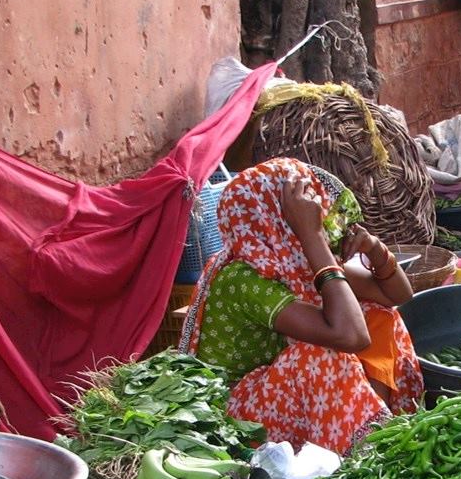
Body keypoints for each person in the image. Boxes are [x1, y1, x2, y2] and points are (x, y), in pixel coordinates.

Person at [179, 157, 422, 452]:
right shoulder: (241, 277)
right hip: (237, 419)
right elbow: (351, 337)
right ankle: (365, 451)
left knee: (381, 317)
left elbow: (397, 296)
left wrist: (373, 248)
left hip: (278, 389)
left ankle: (379, 423)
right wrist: (312, 236)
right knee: (323, 355)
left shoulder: (289, 259)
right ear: (277, 217)